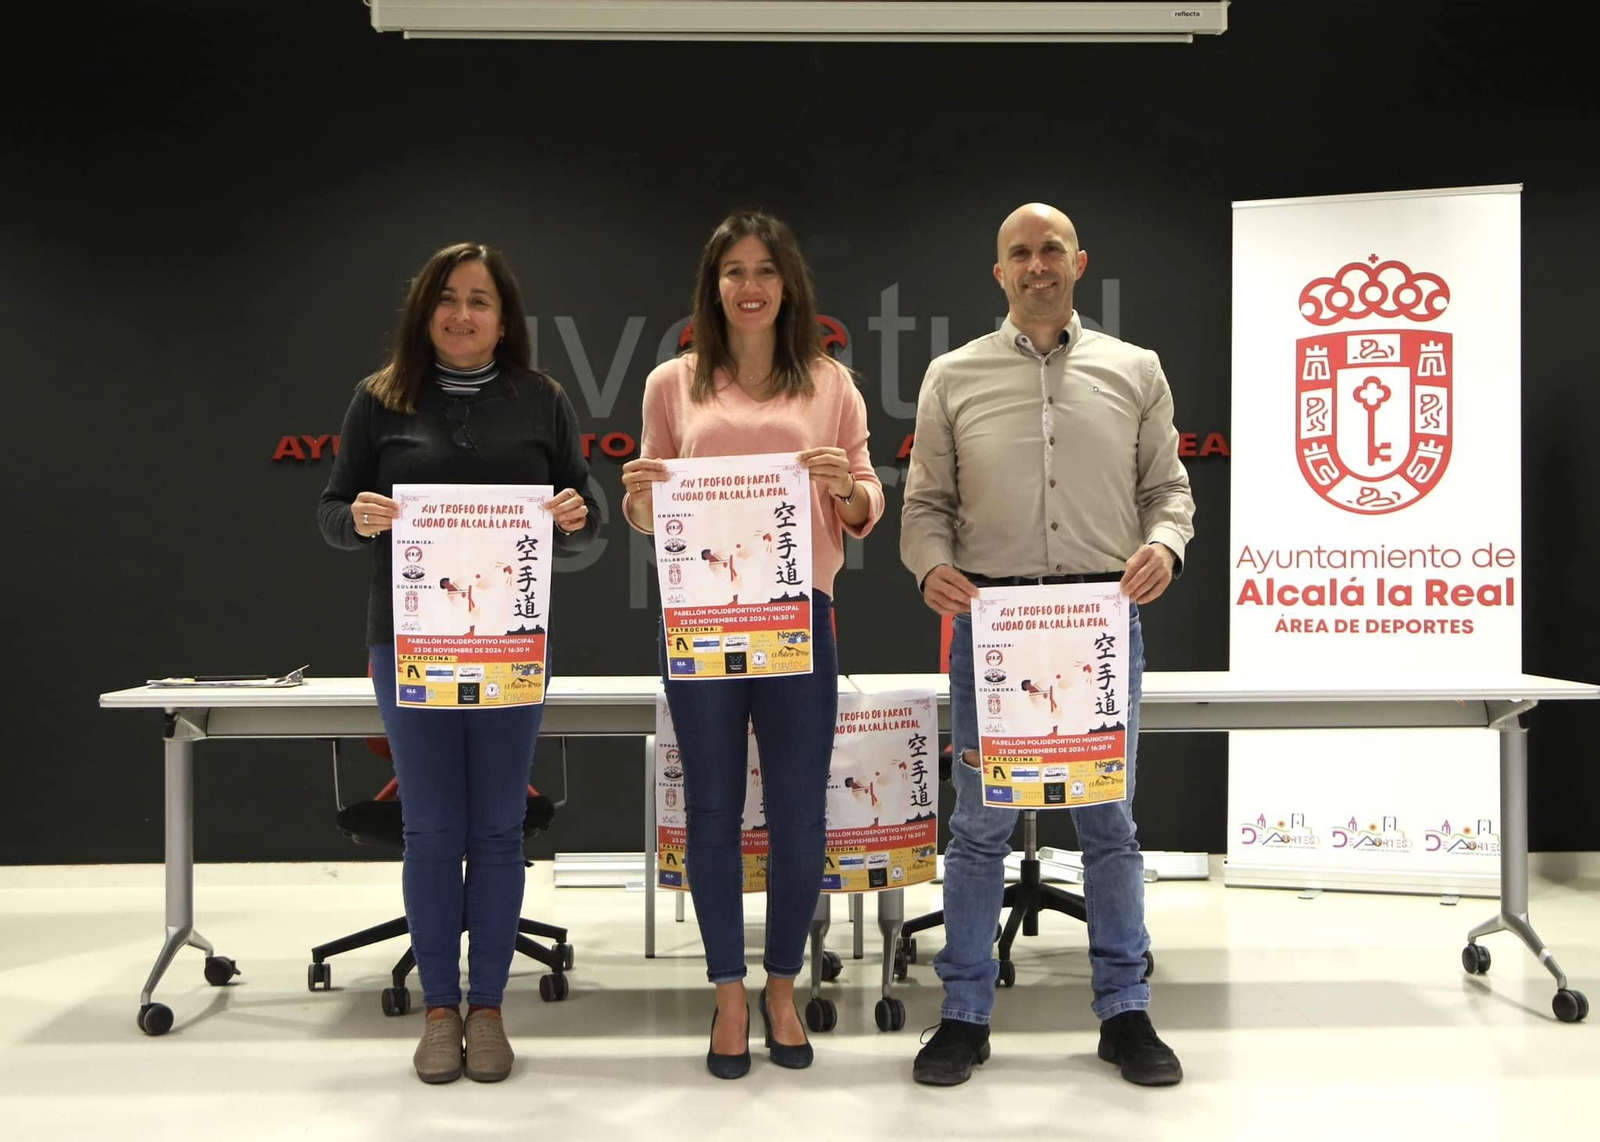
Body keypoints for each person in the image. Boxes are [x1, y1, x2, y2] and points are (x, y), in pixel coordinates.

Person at [900, 203, 1196, 1088]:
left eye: (1051, 250)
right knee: (980, 826)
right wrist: (930, 570)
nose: (1037, 265)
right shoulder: (953, 376)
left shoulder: (1134, 369)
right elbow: (924, 508)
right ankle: (964, 1014)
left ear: (1079, 262)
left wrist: (1167, 545)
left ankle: (1125, 1012)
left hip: (1100, 620)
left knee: (1109, 825)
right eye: (1019, 253)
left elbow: (1169, 490)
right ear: (1000, 273)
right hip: (992, 626)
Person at [317, 242, 599, 1085]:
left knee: (499, 830)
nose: (462, 314)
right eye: (447, 298)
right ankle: (440, 1011)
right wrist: (359, 518)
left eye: (480, 299)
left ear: (504, 317)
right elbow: (331, 510)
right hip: (409, 644)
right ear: (423, 310)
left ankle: (489, 1008)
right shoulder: (380, 400)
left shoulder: (541, 400)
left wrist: (579, 515)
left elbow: (590, 521)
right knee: (434, 829)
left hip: (510, 644)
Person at [621, 210, 883, 1079]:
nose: (750, 285)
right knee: (711, 809)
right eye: (732, 270)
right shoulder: (672, 383)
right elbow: (647, 508)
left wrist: (847, 490)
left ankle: (782, 984)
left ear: (788, 283)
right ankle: (728, 988)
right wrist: (639, 497)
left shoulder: (830, 383)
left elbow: (864, 504)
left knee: (800, 810)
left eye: (765, 268)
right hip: (702, 621)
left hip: (798, 616)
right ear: (713, 287)